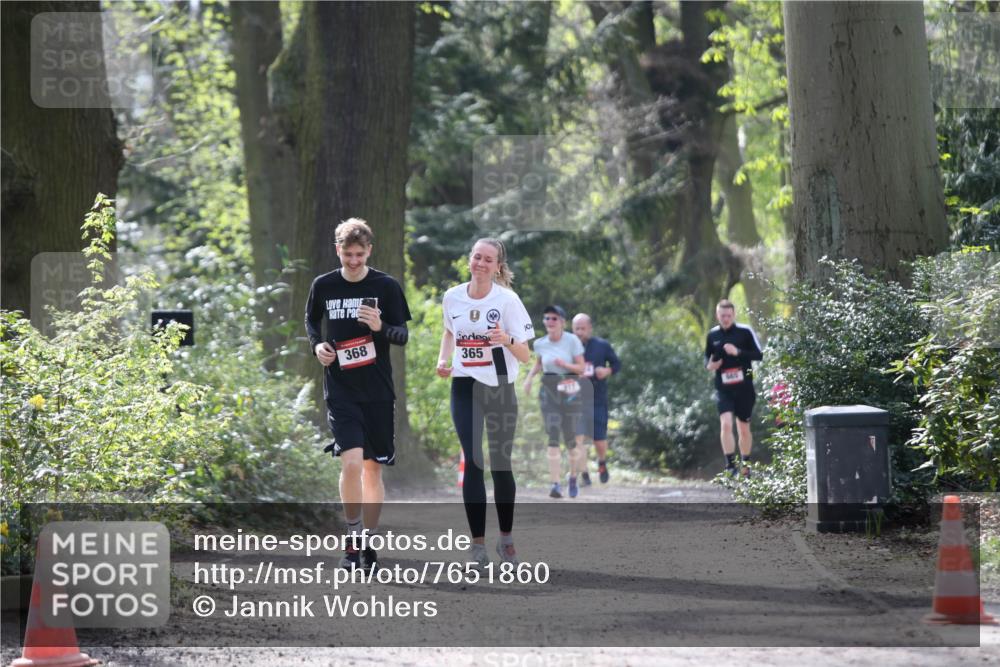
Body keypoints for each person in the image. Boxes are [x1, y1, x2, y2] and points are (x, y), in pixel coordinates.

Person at [305, 218, 411, 570]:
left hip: (378, 391)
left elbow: (402, 335)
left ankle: (369, 540)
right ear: (338, 250)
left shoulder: (386, 286)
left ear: (369, 251)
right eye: (347, 254)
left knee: (372, 471)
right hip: (340, 389)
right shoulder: (324, 285)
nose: (353, 260)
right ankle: (352, 544)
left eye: (359, 254)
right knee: (350, 464)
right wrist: (318, 345)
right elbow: (311, 321)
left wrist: (380, 327)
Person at [437, 238, 534, 567]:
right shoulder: (452, 297)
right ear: (469, 260)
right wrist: (443, 360)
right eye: (476, 257)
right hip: (464, 385)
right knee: (473, 462)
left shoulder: (507, 301)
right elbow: (450, 332)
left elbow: (525, 353)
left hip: (500, 387)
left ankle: (505, 540)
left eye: (488, 259)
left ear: (497, 267)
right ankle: (477, 546)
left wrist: (505, 340)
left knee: (501, 464)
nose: (480, 263)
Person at [523, 305, 586, 499]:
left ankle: (573, 477)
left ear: (562, 323)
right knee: (552, 432)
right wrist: (529, 378)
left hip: (570, 388)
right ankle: (555, 484)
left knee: (570, 438)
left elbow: (581, 368)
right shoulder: (540, 343)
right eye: (547, 318)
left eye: (554, 319)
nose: (549, 322)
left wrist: (565, 364)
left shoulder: (572, 340)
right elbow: (539, 363)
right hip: (549, 389)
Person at [704, 299, 763, 478]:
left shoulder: (745, 332)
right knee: (726, 424)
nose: (726, 319)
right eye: (722, 315)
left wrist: (738, 352)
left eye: (729, 315)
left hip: (744, 387)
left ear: (734, 315)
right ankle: (730, 466)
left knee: (743, 428)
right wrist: (712, 365)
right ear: (717, 316)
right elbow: (707, 361)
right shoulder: (712, 335)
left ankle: (745, 465)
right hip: (723, 389)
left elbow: (759, 355)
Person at [572, 313, 621, 485]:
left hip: (597, 398)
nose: (579, 332)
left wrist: (606, 371)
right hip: (575, 399)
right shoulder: (567, 347)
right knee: (578, 438)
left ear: (590, 328)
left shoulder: (601, 345)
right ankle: (584, 474)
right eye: (576, 328)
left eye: (582, 328)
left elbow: (617, 364)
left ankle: (602, 462)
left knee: (598, 439)